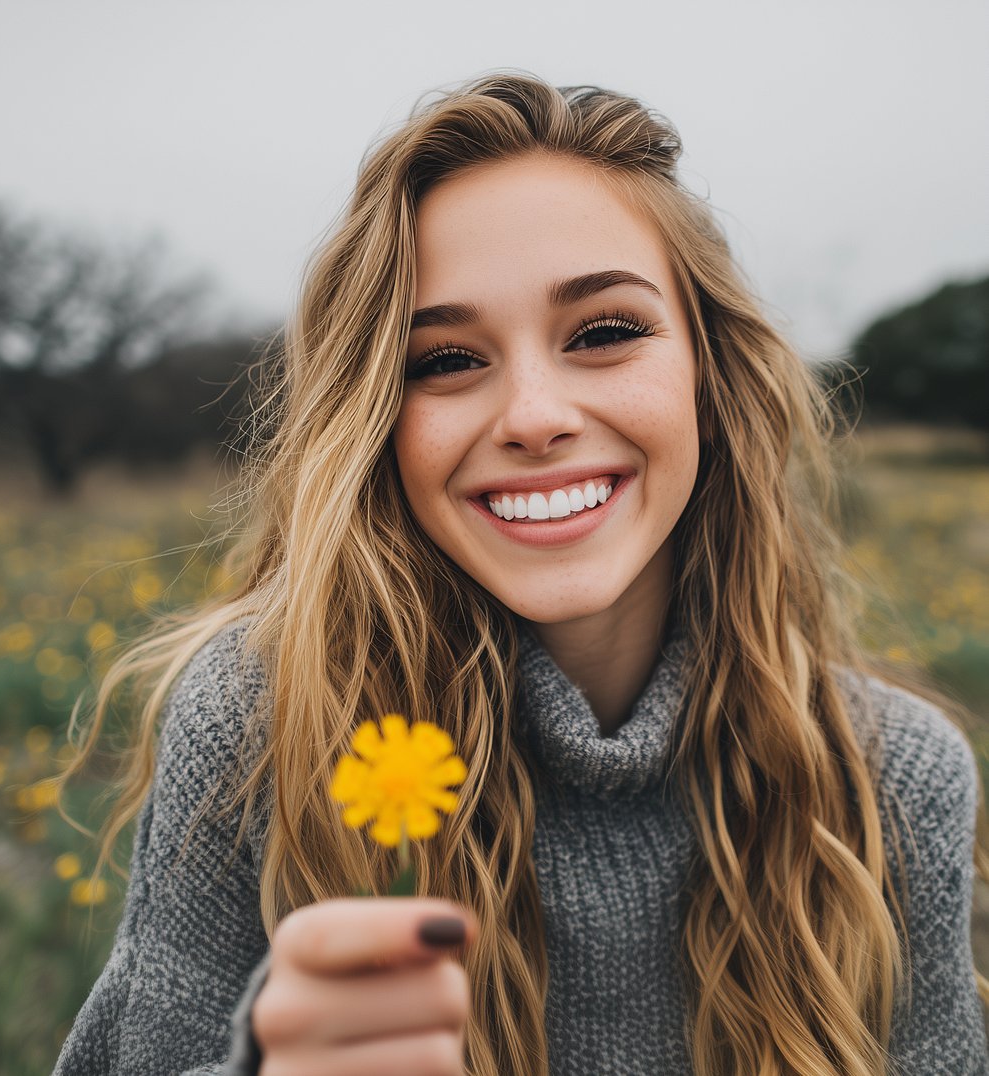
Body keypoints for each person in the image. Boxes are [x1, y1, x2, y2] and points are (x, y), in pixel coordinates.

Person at [53, 75, 989, 1076]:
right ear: (377, 422)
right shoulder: (261, 722)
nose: (533, 414)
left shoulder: (889, 775)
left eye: (602, 332)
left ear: (710, 378)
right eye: (445, 358)